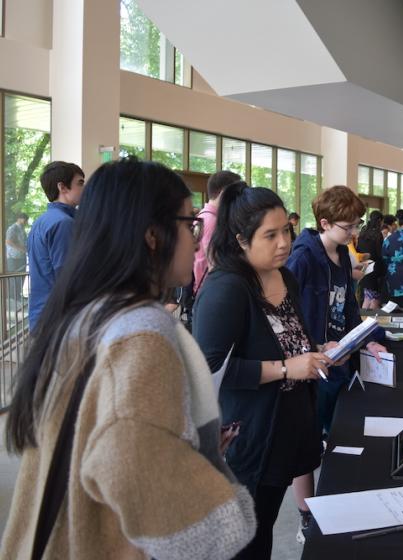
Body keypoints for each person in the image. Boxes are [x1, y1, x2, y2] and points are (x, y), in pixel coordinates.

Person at [1, 158, 256, 560]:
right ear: (152, 235)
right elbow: (130, 462)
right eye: (189, 224)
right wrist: (221, 509)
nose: (196, 240)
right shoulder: (142, 335)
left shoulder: (85, 312)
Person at [192, 183, 333, 560]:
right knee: (245, 539)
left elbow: (290, 338)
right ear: (241, 240)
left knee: (264, 525)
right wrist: (287, 368)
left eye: (285, 230)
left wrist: (316, 352)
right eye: (270, 235)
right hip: (249, 434)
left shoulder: (285, 277)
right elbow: (209, 369)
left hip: (290, 425)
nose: (284, 242)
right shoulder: (227, 288)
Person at [287, 185, 386, 542]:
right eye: (348, 227)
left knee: (335, 434)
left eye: (356, 225)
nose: (354, 233)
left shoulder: (343, 255)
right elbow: (289, 319)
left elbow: (345, 311)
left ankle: (332, 502)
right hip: (311, 364)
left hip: (337, 360)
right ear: (325, 223)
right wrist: (316, 345)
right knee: (307, 445)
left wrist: (366, 338)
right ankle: (306, 516)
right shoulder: (302, 259)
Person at [27, 161, 85, 329]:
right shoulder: (64, 223)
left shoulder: (41, 222)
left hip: (42, 317)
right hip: (59, 321)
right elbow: (68, 276)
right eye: (80, 183)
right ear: (63, 187)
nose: (84, 188)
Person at [193, 170, 242, 296]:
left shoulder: (203, 216)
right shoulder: (212, 221)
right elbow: (214, 264)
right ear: (224, 192)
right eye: (235, 194)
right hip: (211, 291)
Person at [356, 210, 386, 309]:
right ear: (380, 220)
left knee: (367, 297)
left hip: (363, 267)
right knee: (375, 299)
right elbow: (379, 253)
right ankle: (373, 322)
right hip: (374, 268)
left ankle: (363, 322)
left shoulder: (363, 230)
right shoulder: (378, 234)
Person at [5, 212, 29, 299]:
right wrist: (21, 249)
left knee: (21, 276)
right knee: (13, 277)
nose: (26, 222)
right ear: (19, 218)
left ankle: (18, 295)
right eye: (25, 220)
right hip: (13, 257)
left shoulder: (22, 229)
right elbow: (8, 241)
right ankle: (13, 297)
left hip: (21, 257)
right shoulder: (12, 228)